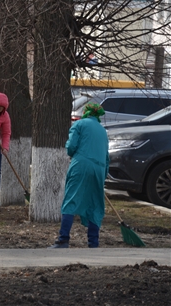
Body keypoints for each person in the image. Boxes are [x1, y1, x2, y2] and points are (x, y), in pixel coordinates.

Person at [49, 103, 109, 249]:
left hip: (81, 164)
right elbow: (107, 157)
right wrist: (102, 175)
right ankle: (93, 243)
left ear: (86, 112)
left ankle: (63, 239)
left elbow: (71, 147)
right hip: (99, 169)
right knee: (95, 204)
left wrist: (72, 152)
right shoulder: (103, 131)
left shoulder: (79, 124)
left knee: (71, 200)